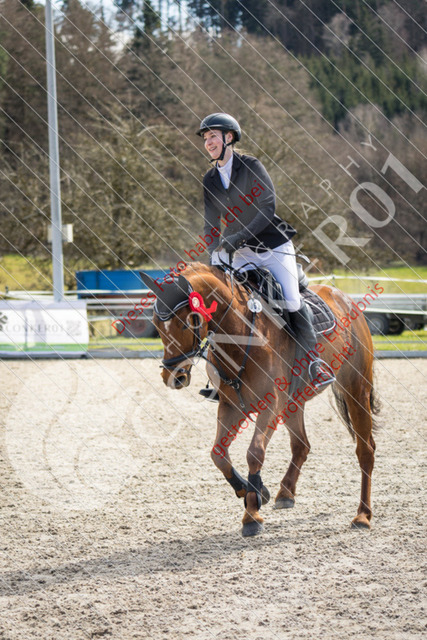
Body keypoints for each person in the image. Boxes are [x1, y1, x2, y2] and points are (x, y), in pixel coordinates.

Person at [196, 112, 335, 392]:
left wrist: (238, 237)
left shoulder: (251, 166)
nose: (208, 142)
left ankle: (314, 364)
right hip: (239, 252)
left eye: (213, 136)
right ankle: (222, 373)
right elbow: (211, 224)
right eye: (206, 138)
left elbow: (267, 207)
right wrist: (213, 254)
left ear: (229, 137)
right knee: (225, 302)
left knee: (292, 301)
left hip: (273, 247)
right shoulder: (210, 179)